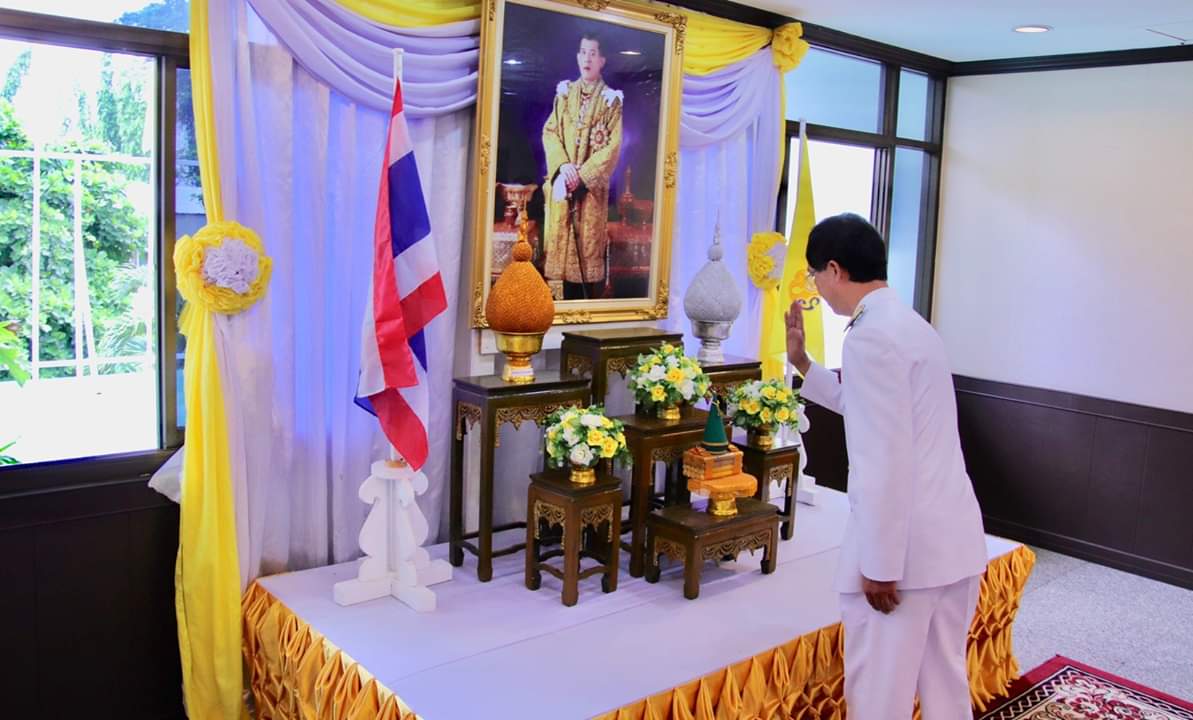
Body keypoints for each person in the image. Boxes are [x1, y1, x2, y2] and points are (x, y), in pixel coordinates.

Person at [785, 213, 988, 719]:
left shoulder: (869, 336)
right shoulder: (910, 325)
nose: (817, 286)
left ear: (835, 270)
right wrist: (804, 363)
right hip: (953, 541)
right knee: (945, 688)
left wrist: (880, 566)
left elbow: (884, 459)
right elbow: (875, 412)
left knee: (880, 697)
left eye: (814, 274)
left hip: (908, 557)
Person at [541, 31, 623, 300]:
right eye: (583, 52)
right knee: (558, 269)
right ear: (578, 56)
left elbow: (613, 147)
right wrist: (564, 166)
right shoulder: (564, 95)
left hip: (590, 195)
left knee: (585, 267)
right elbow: (550, 131)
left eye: (593, 53)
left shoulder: (611, 100)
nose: (587, 59)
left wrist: (583, 175)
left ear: (602, 60)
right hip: (563, 187)